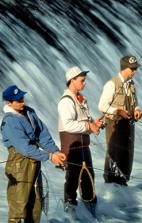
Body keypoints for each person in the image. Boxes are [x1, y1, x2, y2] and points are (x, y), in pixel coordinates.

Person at [1, 84, 66, 223]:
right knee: (19, 205)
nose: (22, 102)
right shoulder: (10, 121)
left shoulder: (30, 112)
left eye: (22, 98)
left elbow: (42, 135)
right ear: (9, 103)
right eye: (18, 101)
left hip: (34, 162)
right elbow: (24, 149)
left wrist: (54, 151)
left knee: (36, 203)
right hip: (19, 165)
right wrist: (49, 157)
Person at [58, 67, 103, 211]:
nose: (85, 83)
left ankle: (90, 211)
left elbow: (85, 122)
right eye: (82, 80)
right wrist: (90, 125)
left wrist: (94, 124)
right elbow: (69, 125)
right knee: (72, 180)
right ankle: (70, 211)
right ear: (72, 81)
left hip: (83, 147)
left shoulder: (80, 99)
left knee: (89, 179)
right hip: (72, 149)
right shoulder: (66, 101)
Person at [98, 55, 142, 186]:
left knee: (127, 154)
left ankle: (122, 182)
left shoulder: (131, 84)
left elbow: (136, 101)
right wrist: (119, 111)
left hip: (128, 125)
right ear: (124, 68)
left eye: (135, 69)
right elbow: (102, 106)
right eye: (132, 69)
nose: (135, 71)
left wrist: (137, 110)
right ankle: (110, 183)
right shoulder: (112, 84)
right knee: (114, 153)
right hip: (114, 125)